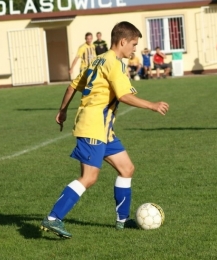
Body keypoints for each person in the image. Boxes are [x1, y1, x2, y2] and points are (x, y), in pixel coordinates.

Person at [40, 21, 169, 239]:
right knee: (89, 177)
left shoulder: (97, 60)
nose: (135, 49)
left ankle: (122, 221)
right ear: (123, 41)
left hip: (104, 129)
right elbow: (124, 96)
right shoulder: (114, 62)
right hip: (93, 126)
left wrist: (62, 110)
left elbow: (72, 85)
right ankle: (53, 218)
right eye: (134, 44)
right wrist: (152, 105)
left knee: (127, 168)